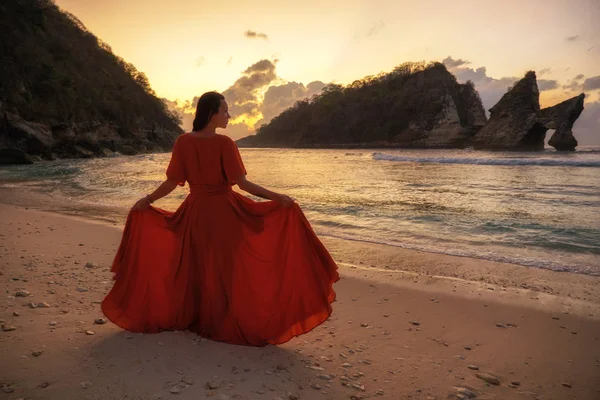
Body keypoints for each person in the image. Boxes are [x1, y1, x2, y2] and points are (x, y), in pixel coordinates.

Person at [101, 91, 339, 346]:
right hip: (224, 213)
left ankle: (200, 316)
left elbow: (172, 182)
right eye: (225, 110)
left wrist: (147, 200)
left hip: (195, 212)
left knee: (199, 266)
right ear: (211, 113)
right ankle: (222, 318)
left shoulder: (183, 142)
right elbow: (242, 184)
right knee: (226, 268)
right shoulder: (225, 144)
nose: (229, 115)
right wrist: (277, 197)